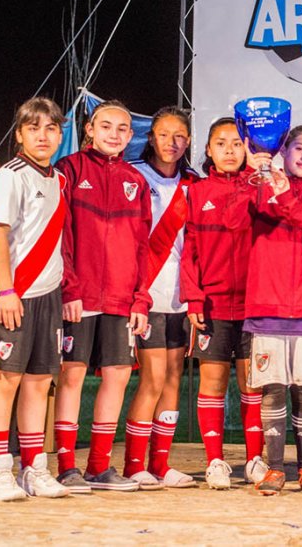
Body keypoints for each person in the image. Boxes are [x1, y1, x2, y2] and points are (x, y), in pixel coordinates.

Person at [224, 125, 302, 496]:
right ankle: (274, 468)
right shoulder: (257, 186)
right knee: (272, 391)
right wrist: (250, 177)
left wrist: (285, 197)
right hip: (266, 306)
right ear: (283, 150)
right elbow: (231, 221)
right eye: (300, 148)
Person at [54, 100, 151, 493]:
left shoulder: (136, 181)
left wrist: (140, 299)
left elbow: (143, 246)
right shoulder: (70, 169)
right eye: (106, 126)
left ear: (130, 135)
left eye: (122, 128)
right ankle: (65, 467)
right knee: (72, 376)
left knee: (116, 377)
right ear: (90, 129)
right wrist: (70, 288)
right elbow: (61, 235)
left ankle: (98, 466)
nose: (114, 133)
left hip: (121, 299)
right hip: (79, 296)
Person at [0, 97, 70, 500]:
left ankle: (34, 467)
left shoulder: (58, 179)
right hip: (13, 293)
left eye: (51, 128)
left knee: (38, 381)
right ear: (19, 134)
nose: (43, 135)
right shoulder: (10, 175)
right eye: (34, 128)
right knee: (4, 380)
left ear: (60, 134)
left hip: (49, 295)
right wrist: (9, 289)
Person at [181, 117, 265, 490]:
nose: (229, 150)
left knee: (253, 387)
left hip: (256, 306)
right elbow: (189, 249)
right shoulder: (197, 192)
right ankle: (215, 460)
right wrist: (194, 297)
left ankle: (254, 459)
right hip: (213, 305)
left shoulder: (261, 187)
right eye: (221, 143)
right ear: (209, 150)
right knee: (212, 384)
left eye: (236, 143)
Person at [122, 107, 198, 489]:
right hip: (146, 294)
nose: (172, 142)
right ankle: (134, 464)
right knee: (150, 378)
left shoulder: (193, 183)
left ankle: (161, 463)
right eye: (164, 134)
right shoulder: (133, 176)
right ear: (151, 137)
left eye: (180, 135)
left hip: (179, 298)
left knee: (172, 379)